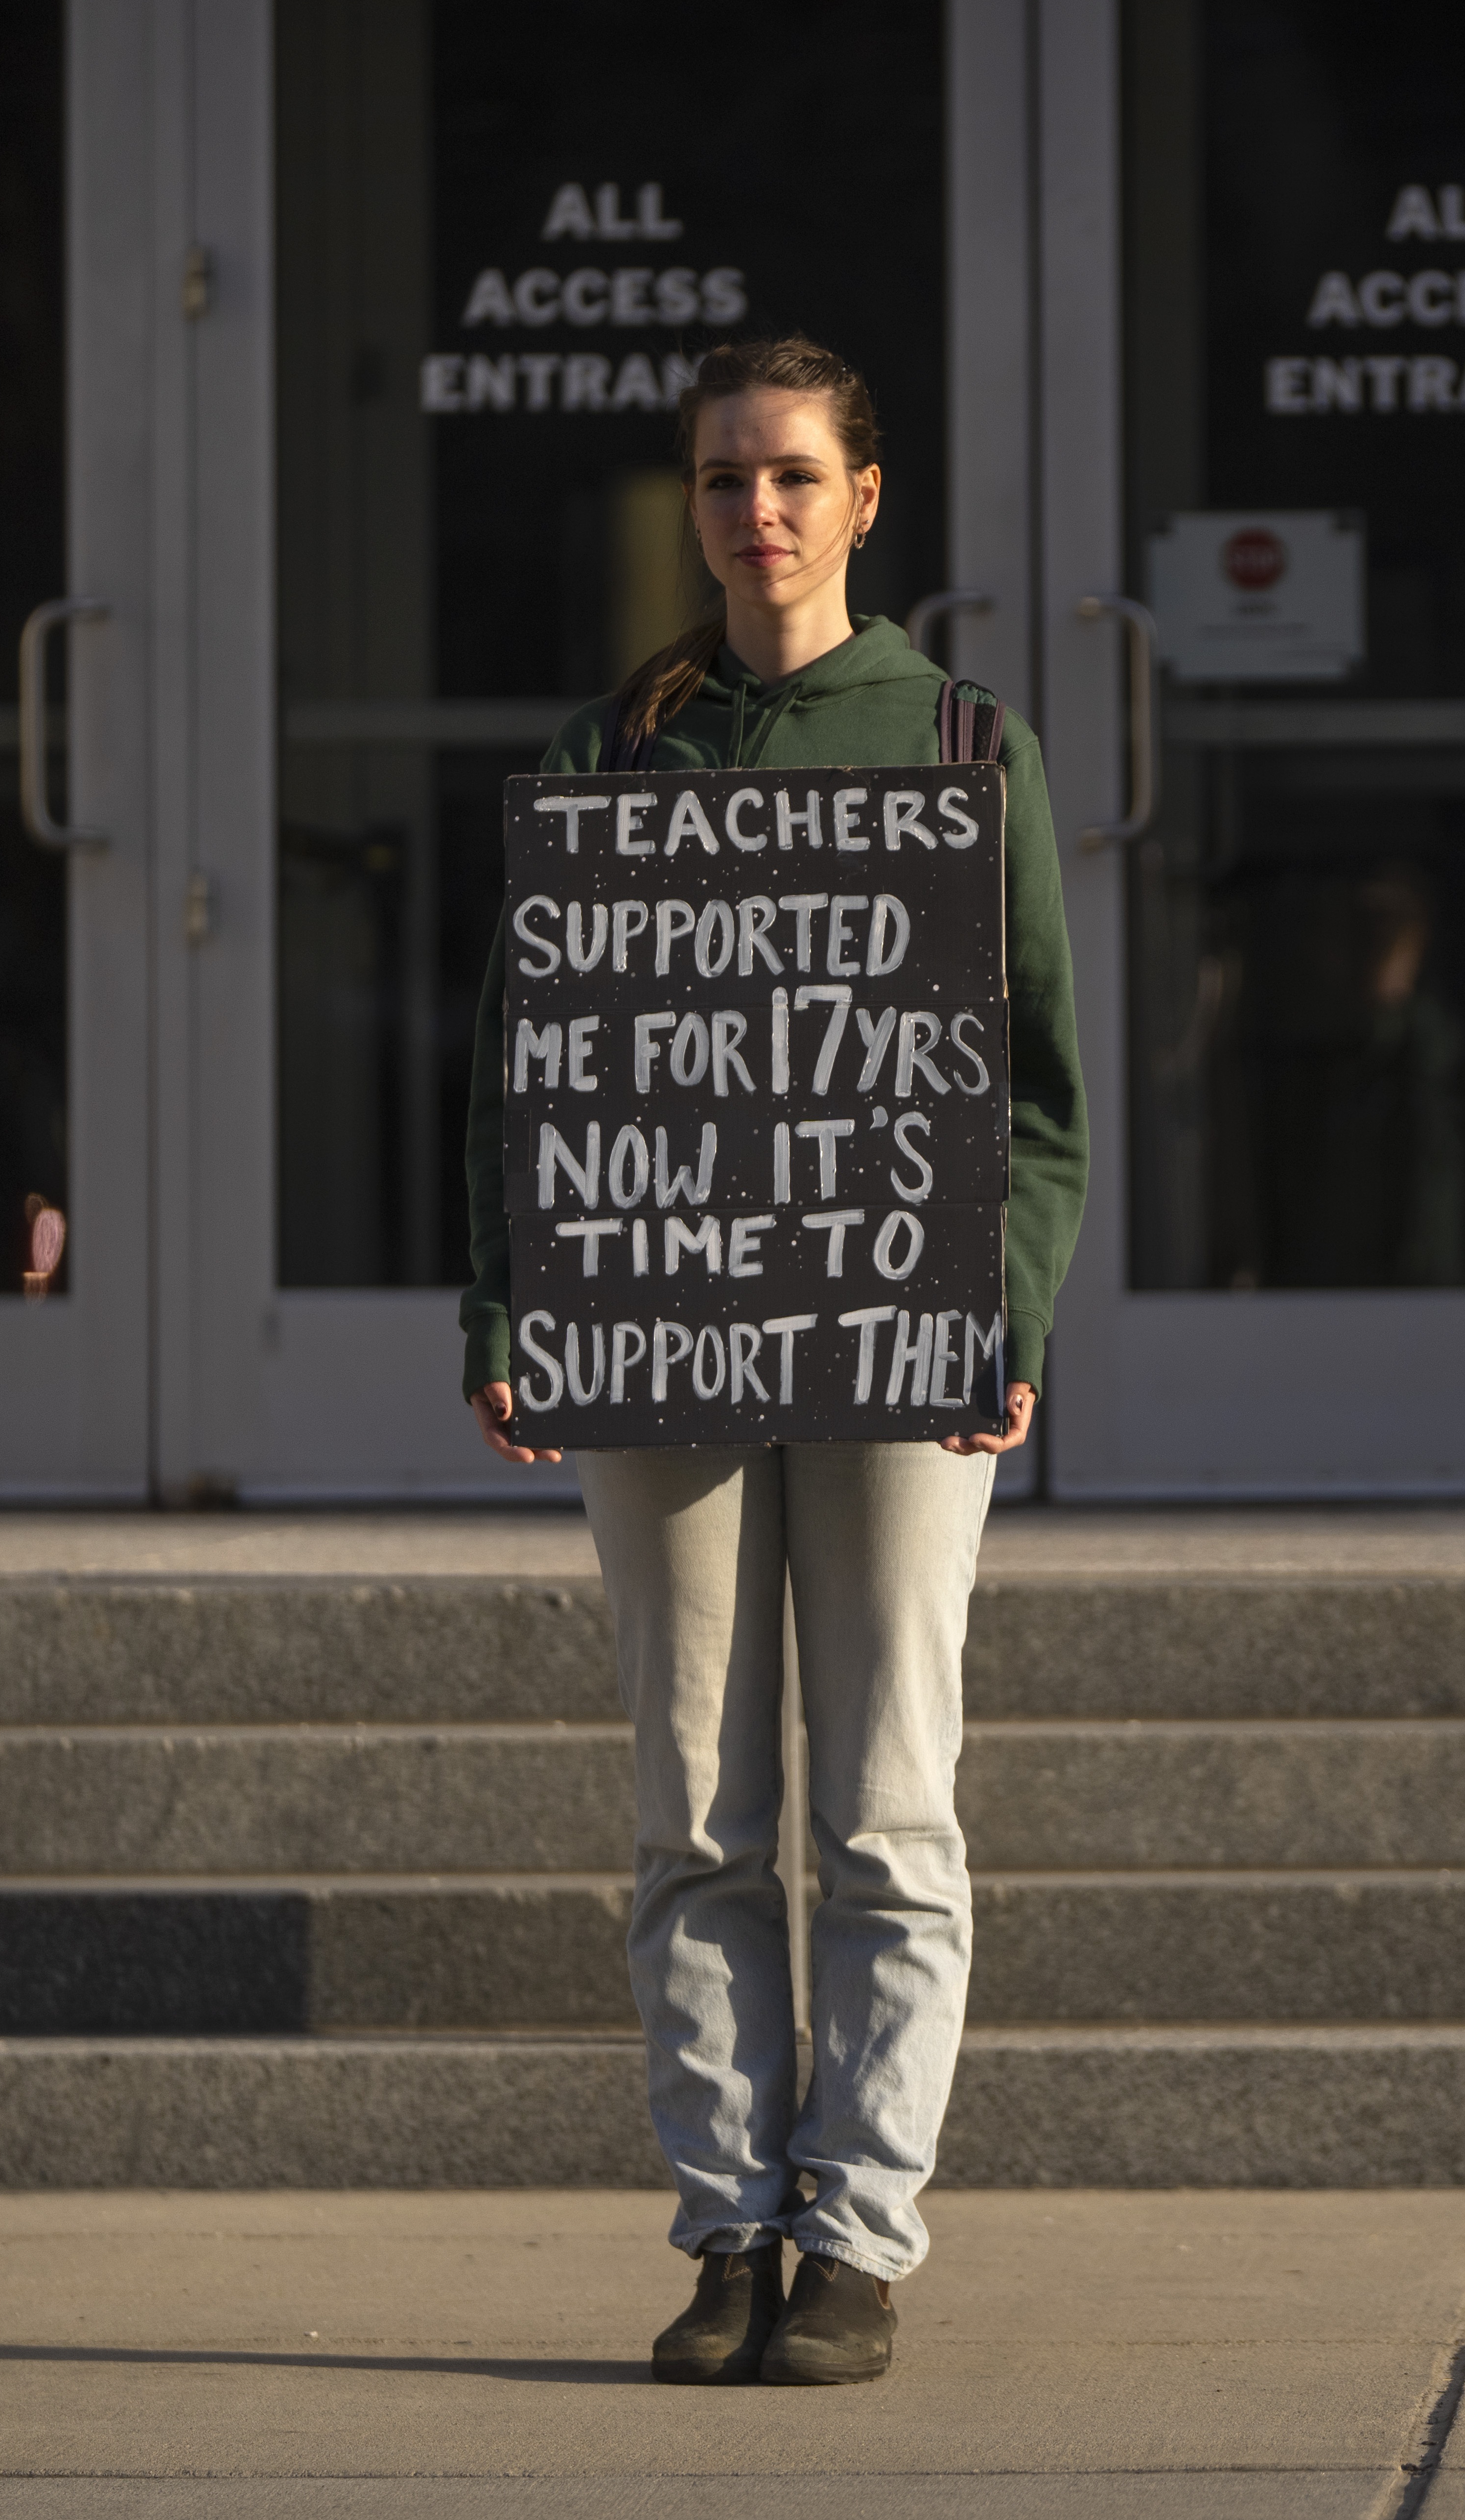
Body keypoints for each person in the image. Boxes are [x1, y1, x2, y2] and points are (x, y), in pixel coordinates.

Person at [458, 333, 1088, 2387]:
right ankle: (730, 2219)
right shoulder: (609, 752)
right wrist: (508, 1302)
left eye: (795, 474)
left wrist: (1011, 1309)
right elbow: (524, 1077)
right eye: (727, 476)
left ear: (865, 496)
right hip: (658, 1335)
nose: (759, 511)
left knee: (890, 1809)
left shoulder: (967, 739)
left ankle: (861, 2232)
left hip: (904, 1335)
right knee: (695, 1810)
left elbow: (1045, 1082)